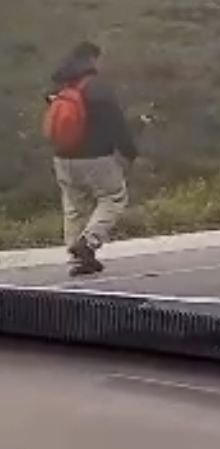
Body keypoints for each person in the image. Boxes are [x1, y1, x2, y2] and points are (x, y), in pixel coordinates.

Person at [44, 42, 138, 276]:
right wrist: (129, 151)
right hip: (95, 156)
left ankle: (79, 256)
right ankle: (89, 242)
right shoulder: (97, 88)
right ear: (92, 59)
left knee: (74, 206)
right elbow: (116, 124)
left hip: (62, 156)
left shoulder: (61, 85)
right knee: (113, 198)